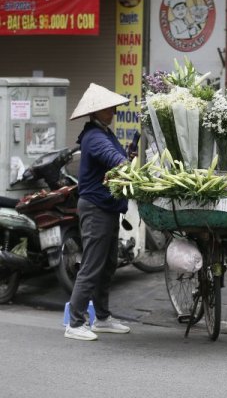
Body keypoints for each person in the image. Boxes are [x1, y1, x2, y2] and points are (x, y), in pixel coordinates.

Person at [64, 83, 132, 341]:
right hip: (96, 208)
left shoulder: (104, 132)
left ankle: (102, 318)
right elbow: (113, 158)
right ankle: (75, 322)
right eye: (108, 107)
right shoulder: (94, 136)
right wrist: (126, 164)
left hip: (108, 206)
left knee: (108, 264)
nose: (113, 110)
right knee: (92, 265)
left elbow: (116, 157)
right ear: (96, 111)